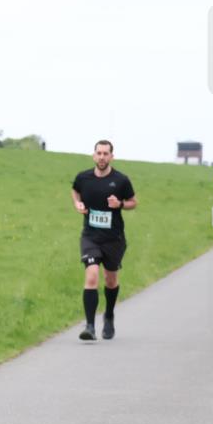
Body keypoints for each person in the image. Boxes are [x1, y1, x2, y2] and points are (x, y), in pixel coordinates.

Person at [71, 140, 137, 341]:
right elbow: (75, 191)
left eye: (105, 154)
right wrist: (77, 203)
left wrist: (120, 204)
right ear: (93, 155)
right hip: (90, 236)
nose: (102, 157)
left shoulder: (121, 180)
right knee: (91, 276)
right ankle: (90, 326)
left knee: (110, 279)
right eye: (98, 153)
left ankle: (108, 315)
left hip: (113, 238)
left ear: (111, 157)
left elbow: (134, 202)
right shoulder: (83, 178)